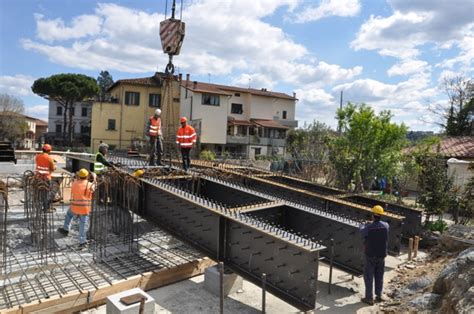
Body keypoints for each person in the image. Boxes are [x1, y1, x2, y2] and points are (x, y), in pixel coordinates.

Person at [58, 168, 96, 248]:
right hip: (84, 209)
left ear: (79, 176)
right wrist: (95, 178)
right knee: (83, 224)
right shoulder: (89, 185)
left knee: (69, 215)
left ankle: (65, 229)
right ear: (87, 176)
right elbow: (94, 187)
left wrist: (74, 177)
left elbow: (73, 180)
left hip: (74, 207)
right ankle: (82, 242)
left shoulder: (75, 183)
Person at [359, 205, 390, 305]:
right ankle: (379, 295)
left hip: (370, 256)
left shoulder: (369, 227)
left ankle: (369, 298)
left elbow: (362, 231)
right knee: (379, 276)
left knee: (368, 276)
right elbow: (380, 226)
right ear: (381, 215)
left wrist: (363, 224)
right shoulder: (386, 226)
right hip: (381, 255)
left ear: (373, 215)